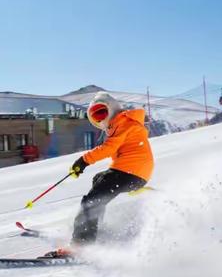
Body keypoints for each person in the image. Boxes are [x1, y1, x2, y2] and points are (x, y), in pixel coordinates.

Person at [46, 92, 154, 258]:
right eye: (96, 116)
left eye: (102, 112)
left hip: (129, 172)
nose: (100, 118)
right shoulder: (122, 122)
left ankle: (80, 246)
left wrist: (83, 161)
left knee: (91, 201)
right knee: (98, 180)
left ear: (112, 108)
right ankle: (95, 228)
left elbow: (108, 148)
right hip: (133, 171)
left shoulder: (123, 123)